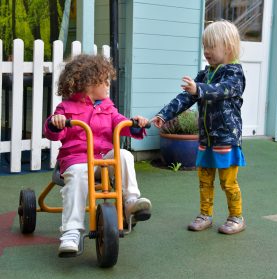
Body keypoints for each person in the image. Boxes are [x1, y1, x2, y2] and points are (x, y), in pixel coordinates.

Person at [44, 54, 152, 255]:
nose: (108, 86)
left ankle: (130, 203)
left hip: (103, 158)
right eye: (103, 81)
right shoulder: (66, 108)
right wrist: (55, 122)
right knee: (76, 175)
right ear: (87, 84)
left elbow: (122, 123)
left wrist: (135, 123)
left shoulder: (108, 108)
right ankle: (71, 231)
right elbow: (53, 130)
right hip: (78, 159)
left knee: (124, 155)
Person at [152, 20, 246, 235]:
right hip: (206, 139)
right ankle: (205, 214)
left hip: (225, 139)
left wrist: (199, 89)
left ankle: (236, 217)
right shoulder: (205, 74)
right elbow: (186, 97)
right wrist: (164, 115)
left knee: (228, 183)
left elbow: (221, 90)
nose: (206, 51)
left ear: (228, 47)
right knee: (204, 180)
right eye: (205, 46)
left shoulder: (234, 74)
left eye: (211, 46)